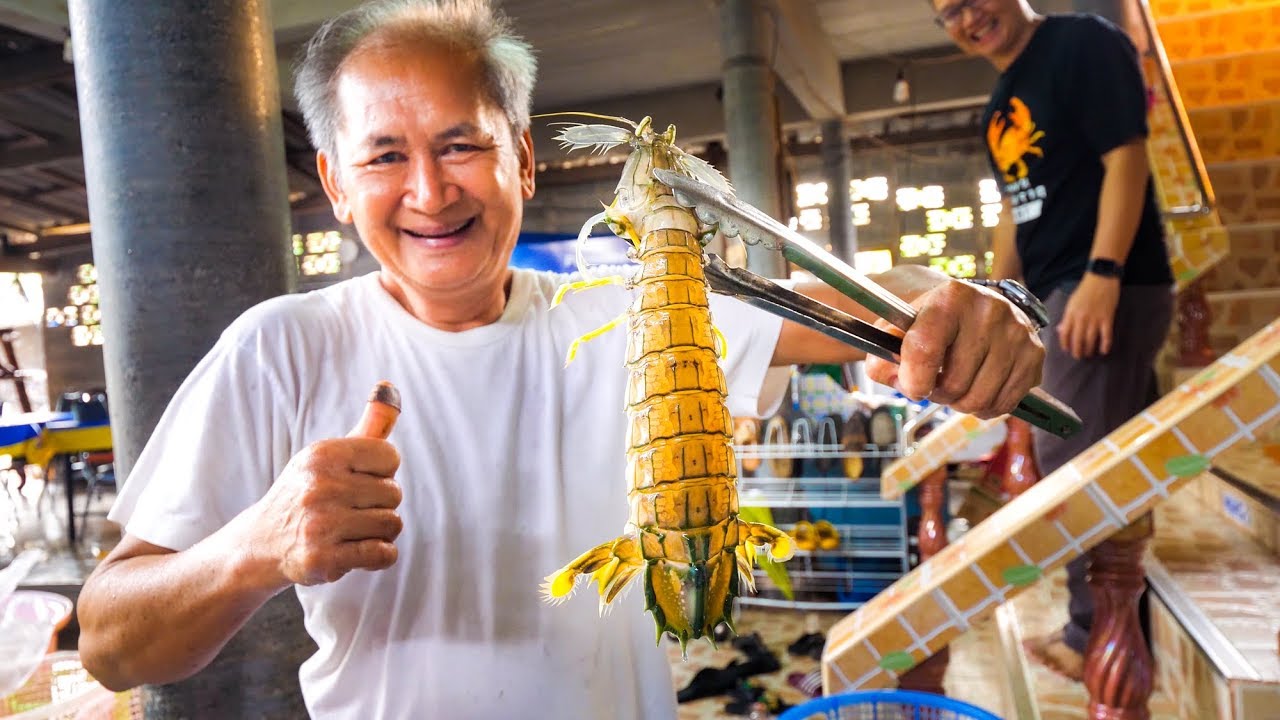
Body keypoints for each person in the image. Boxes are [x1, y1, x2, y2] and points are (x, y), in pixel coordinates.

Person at [75, 1, 1047, 717]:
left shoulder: (626, 311)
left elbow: (864, 312)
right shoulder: (279, 349)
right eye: (382, 157)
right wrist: (253, 546)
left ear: (524, 161)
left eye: (461, 145)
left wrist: (977, 307)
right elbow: (112, 643)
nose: (427, 191)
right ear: (333, 183)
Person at [930, 0, 1174, 681]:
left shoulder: (1079, 44)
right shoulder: (1000, 102)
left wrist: (1103, 273)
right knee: (1106, 460)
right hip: (1057, 290)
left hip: (1099, 285)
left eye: (971, 0)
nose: (967, 17)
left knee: (1071, 462)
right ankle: (1119, 625)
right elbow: (1015, 208)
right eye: (947, 13)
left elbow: (1127, 157)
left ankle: (1090, 633)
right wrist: (996, 301)